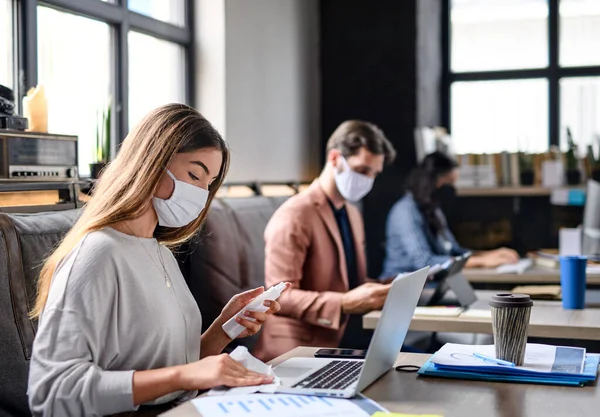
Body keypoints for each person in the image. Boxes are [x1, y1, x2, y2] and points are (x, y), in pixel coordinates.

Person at [27, 104, 288, 416]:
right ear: (152, 162)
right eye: (195, 174)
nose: (202, 194)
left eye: (209, 184)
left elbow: (174, 372)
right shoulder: (97, 254)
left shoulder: (159, 252)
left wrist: (224, 328)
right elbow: (52, 392)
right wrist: (185, 375)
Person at [252, 120, 397, 362]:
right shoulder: (295, 215)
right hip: (301, 349)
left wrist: (383, 287)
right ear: (335, 159)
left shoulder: (351, 213)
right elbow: (278, 296)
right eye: (362, 170)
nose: (368, 179)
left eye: (373, 173)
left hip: (349, 336)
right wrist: (344, 303)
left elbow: (345, 281)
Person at [381, 151, 519, 277]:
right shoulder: (406, 212)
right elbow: (424, 262)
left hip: (432, 285)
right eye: (448, 182)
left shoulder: (433, 210)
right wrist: (481, 261)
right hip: (402, 289)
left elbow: (454, 250)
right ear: (432, 181)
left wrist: (490, 254)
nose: (452, 189)